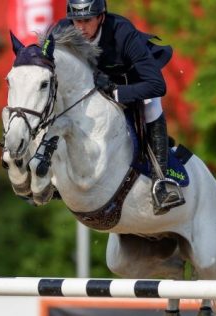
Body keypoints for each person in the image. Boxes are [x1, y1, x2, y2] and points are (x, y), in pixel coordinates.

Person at [57, 0, 184, 215]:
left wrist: (117, 92)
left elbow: (157, 85)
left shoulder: (123, 33)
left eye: (87, 20)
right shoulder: (62, 30)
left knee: (151, 105)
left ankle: (161, 181)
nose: (80, 27)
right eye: (77, 20)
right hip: (94, 85)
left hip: (134, 82)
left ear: (101, 17)